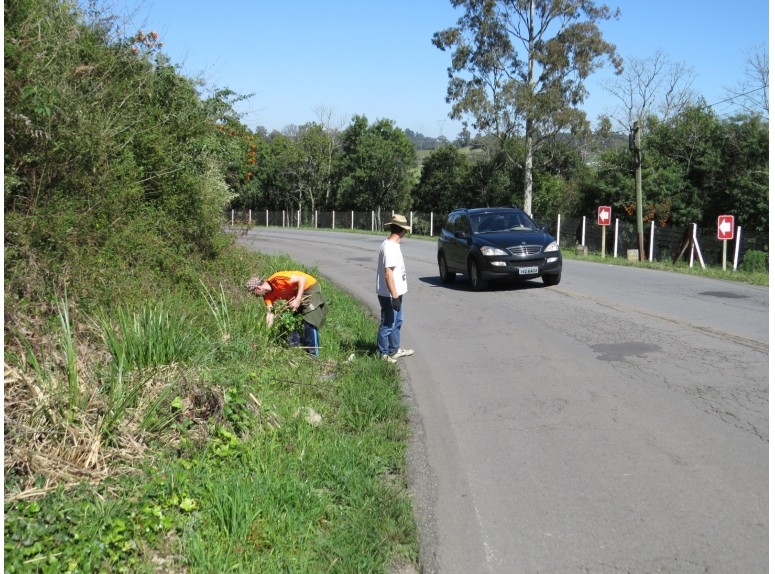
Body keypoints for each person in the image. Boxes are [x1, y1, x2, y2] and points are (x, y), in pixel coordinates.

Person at [246, 271, 328, 356]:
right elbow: (270, 312)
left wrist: (298, 300)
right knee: (289, 320)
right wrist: (267, 332)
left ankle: (313, 354)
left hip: (309, 287)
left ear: (258, 288)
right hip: (297, 293)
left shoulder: (278, 279)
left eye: (255, 294)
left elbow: (302, 279)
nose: (256, 296)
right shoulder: (267, 296)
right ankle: (295, 348)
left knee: (309, 320)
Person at [376, 214, 414, 363]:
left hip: (395, 292)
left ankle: (394, 350)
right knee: (387, 324)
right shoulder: (390, 247)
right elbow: (388, 274)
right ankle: (383, 354)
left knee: (397, 322)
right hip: (390, 294)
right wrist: (395, 297)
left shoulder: (391, 244)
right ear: (402, 230)